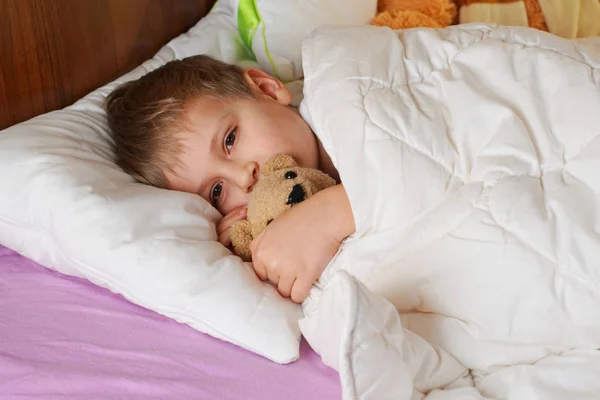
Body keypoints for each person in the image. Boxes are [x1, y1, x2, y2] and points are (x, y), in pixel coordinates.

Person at [106, 55, 355, 304]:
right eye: (217, 191)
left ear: (266, 89)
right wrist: (257, 251)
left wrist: (331, 213)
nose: (243, 178)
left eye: (229, 140)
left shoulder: (343, 101)